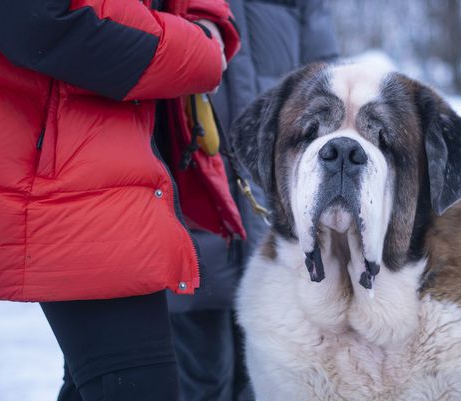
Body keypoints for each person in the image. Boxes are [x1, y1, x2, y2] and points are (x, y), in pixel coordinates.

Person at [0, 1, 244, 400]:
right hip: (60, 171)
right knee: (138, 383)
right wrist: (197, 48)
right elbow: (38, 21)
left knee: (101, 383)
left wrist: (208, 21)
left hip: (123, 161)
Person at [165, 1, 339, 400]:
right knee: (197, 378)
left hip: (275, 225)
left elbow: (330, 92)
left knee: (269, 380)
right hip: (188, 212)